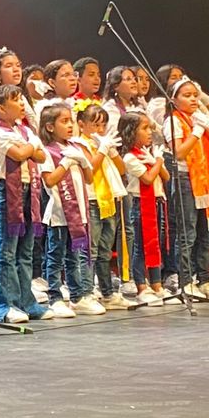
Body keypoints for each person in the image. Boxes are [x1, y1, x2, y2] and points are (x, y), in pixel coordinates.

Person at [0, 84, 49, 323]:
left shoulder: (24, 130)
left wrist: (30, 147)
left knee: (26, 251)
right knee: (8, 252)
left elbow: (41, 155)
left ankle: (27, 302)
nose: (22, 104)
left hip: (30, 192)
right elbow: (21, 154)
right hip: (8, 194)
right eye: (16, 100)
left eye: (22, 99)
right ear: (1, 109)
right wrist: (32, 146)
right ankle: (6, 304)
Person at [166, 78, 209, 301]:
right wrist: (197, 131)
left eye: (195, 95)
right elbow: (179, 153)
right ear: (174, 100)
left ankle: (204, 279)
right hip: (185, 179)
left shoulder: (201, 118)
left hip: (206, 180)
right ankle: (185, 281)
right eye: (187, 95)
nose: (193, 99)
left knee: (205, 233)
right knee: (187, 233)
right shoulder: (173, 121)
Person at [35, 103, 97, 318]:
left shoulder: (75, 148)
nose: (70, 125)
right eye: (64, 121)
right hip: (59, 214)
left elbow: (89, 179)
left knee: (74, 257)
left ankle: (77, 296)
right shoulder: (47, 151)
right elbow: (50, 180)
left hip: (78, 212)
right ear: (50, 127)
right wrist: (66, 161)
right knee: (55, 256)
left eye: (71, 121)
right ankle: (55, 298)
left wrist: (83, 161)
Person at [78, 102, 133, 310]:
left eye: (103, 125)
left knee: (104, 251)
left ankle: (107, 293)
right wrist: (102, 148)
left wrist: (112, 151)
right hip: (92, 200)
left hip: (109, 200)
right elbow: (91, 168)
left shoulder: (104, 144)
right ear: (81, 124)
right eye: (95, 125)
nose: (100, 130)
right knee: (90, 250)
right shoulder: (79, 144)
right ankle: (86, 292)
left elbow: (122, 169)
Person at [119, 110, 169, 305]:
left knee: (155, 244)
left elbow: (166, 176)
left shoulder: (147, 153)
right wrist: (158, 161)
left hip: (157, 202)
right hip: (141, 204)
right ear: (132, 131)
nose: (150, 132)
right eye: (145, 128)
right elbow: (148, 178)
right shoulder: (130, 157)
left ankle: (157, 284)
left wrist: (156, 161)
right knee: (140, 246)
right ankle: (141, 285)